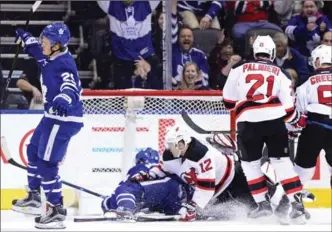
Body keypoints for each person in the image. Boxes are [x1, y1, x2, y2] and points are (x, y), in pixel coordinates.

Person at [222, 35, 309, 224]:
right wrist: (298, 120)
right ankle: (297, 206)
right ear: (271, 53)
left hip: (247, 123)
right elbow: (288, 109)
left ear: (255, 52)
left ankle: (262, 204)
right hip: (274, 122)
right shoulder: (281, 73)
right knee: (282, 163)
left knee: (250, 165)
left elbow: (228, 102)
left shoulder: (238, 69)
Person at [11, 23, 84, 229]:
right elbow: (36, 49)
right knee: (32, 150)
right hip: (51, 116)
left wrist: (64, 97)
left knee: (47, 164)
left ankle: (56, 210)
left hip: (64, 119)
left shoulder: (64, 63)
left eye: (46, 41)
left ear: (57, 45)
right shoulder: (48, 54)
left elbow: (70, 85)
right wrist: (25, 36)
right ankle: (34, 196)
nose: (42, 43)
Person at [101, 148, 193, 221]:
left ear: (140, 160)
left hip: (167, 189)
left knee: (124, 188)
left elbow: (127, 186)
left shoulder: (141, 167)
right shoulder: (161, 166)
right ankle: (185, 210)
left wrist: (107, 202)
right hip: (177, 194)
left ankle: (126, 210)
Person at [294, 44, 332, 189]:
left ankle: (285, 206)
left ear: (318, 61)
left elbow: (299, 111)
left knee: (302, 172)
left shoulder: (306, 81)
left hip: (314, 127)